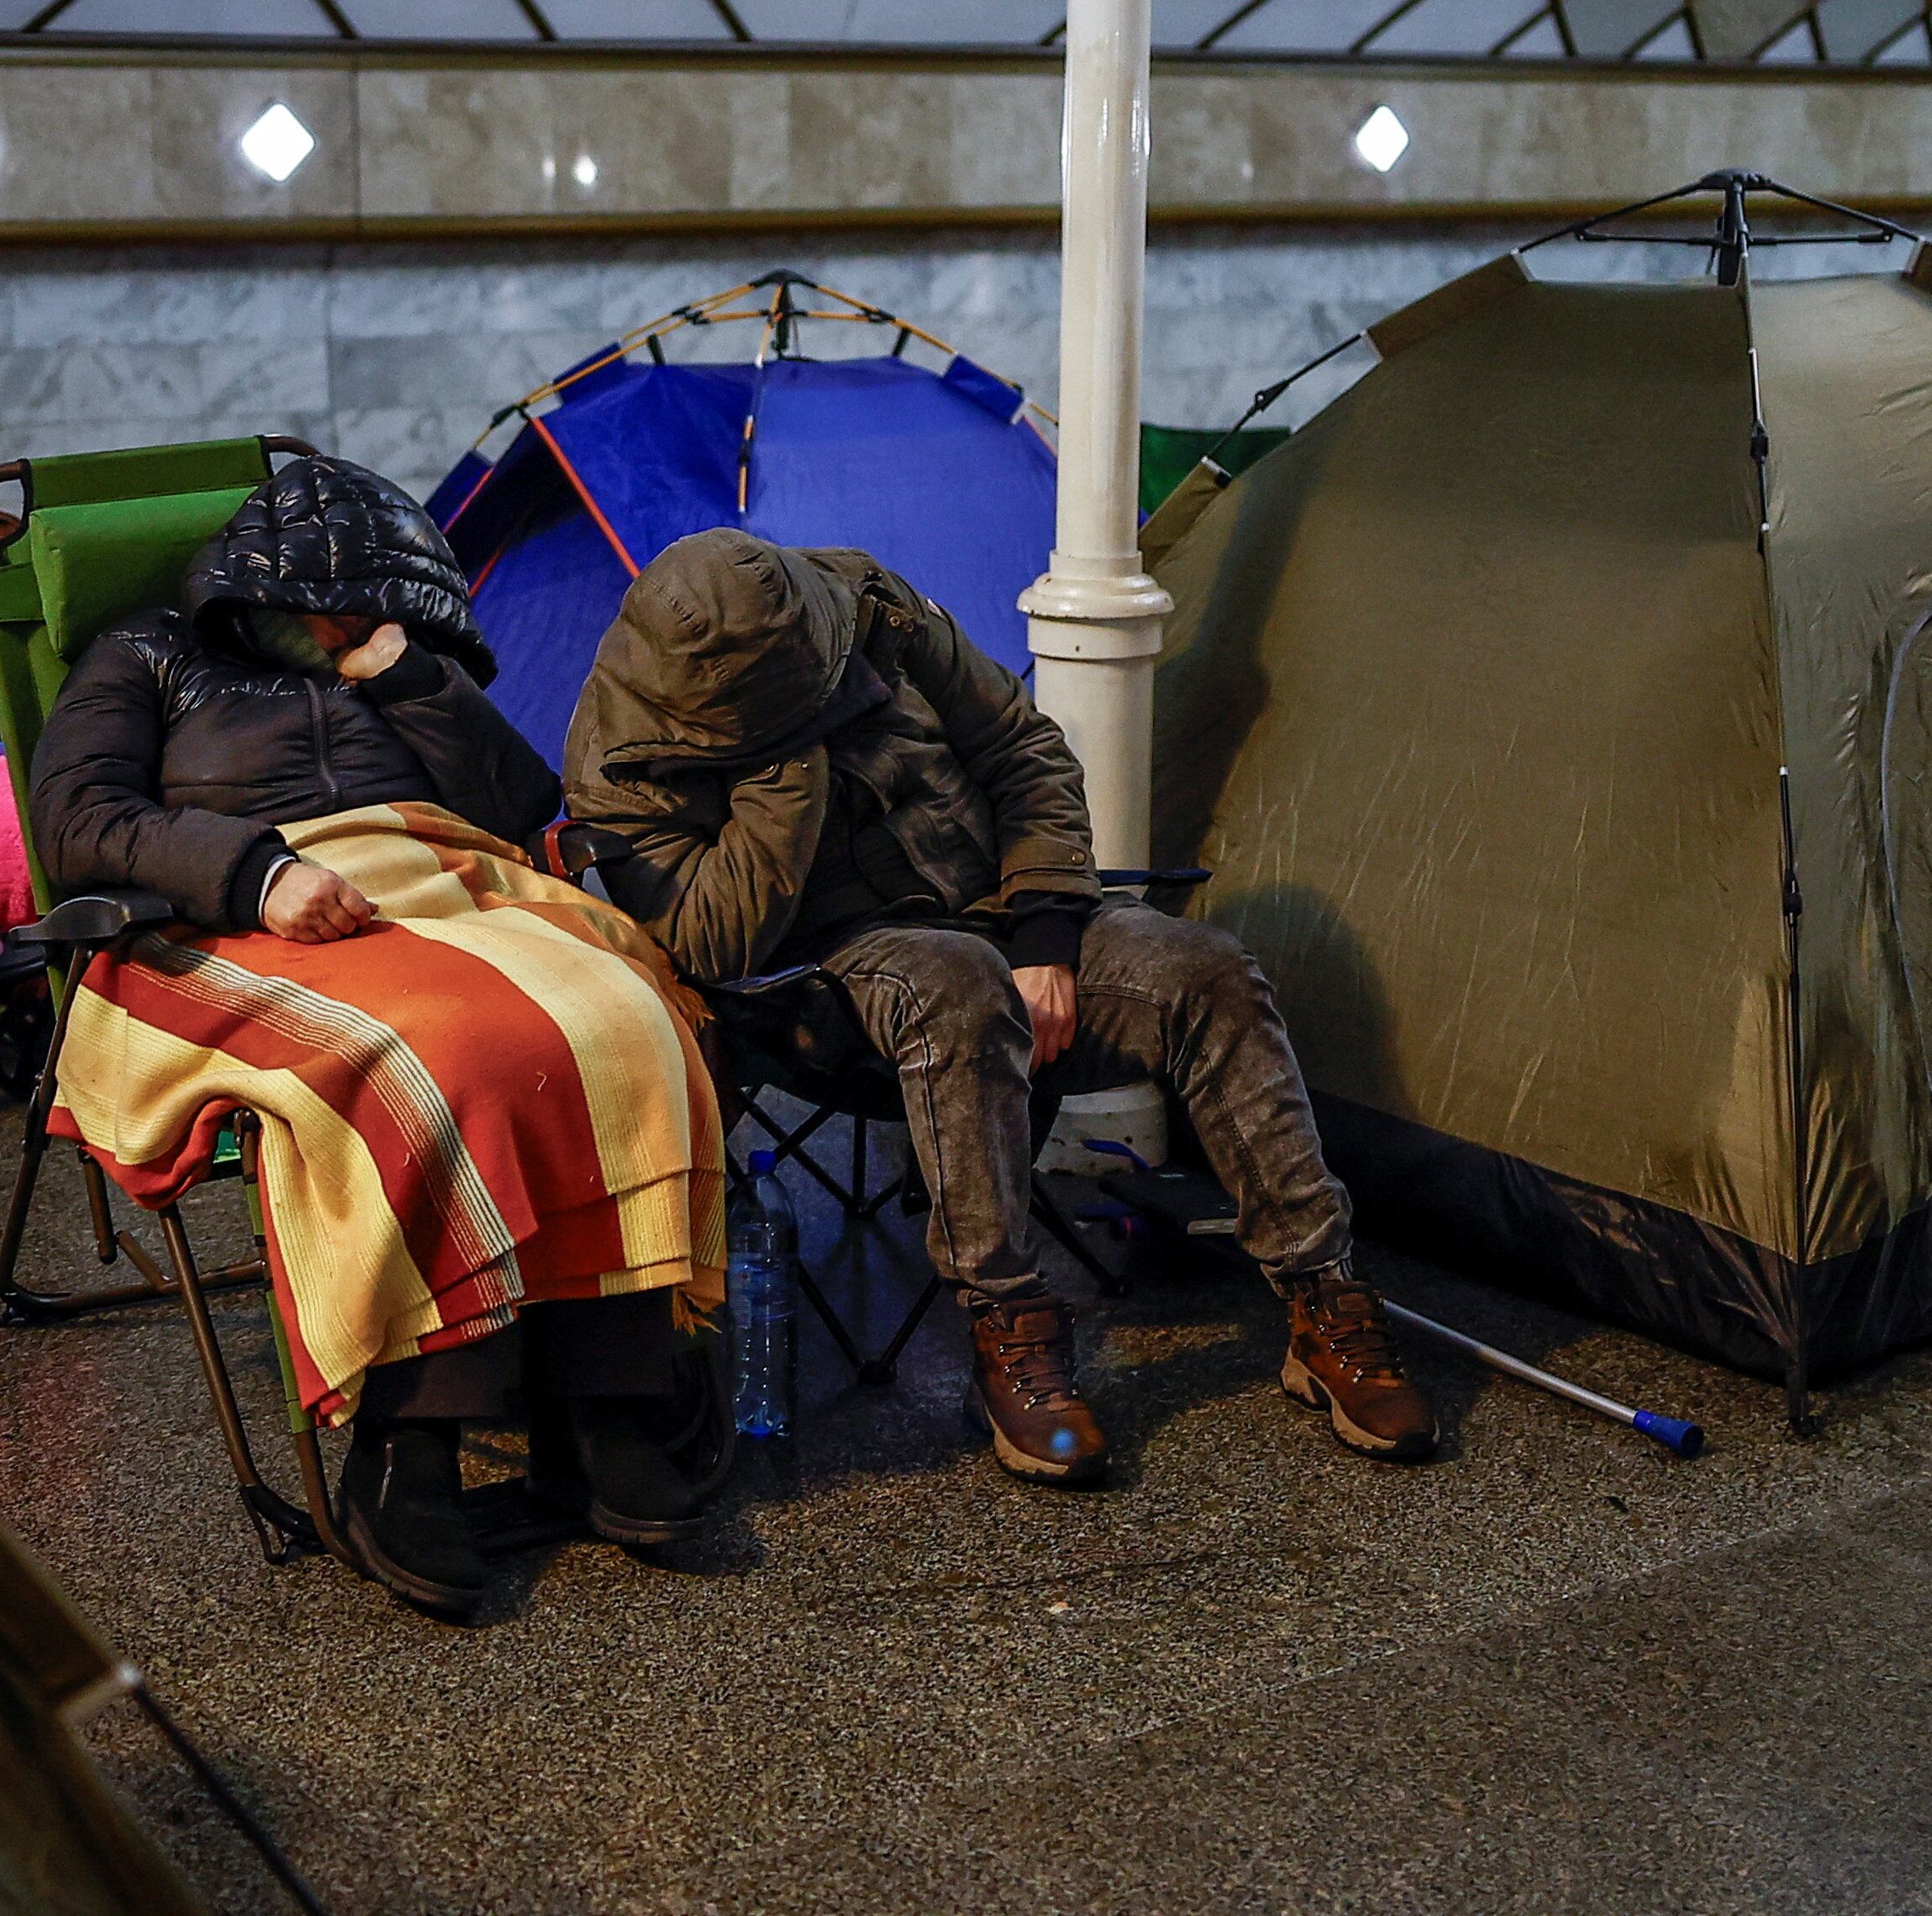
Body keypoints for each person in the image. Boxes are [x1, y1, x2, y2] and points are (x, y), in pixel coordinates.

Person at [559, 529, 1434, 1486]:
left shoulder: (865, 606)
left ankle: (1322, 1295)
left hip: (1000, 911)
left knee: (1208, 970)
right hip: (827, 978)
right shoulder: (620, 762)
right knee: (956, 990)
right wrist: (784, 763)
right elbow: (713, 946)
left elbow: (1022, 751)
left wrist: (1047, 932)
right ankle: (1009, 1329)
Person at [31, 456, 719, 1616]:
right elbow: (77, 820)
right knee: (424, 1061)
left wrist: (410, 679)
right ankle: (409, 1439)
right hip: (227, 918)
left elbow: (512, 805)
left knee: (622, 1020)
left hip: (441, 887)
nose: (355, 618)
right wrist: (255, 871)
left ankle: (605, 1394)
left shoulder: (402, 654)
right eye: (335, 601)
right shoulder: (146, 654)